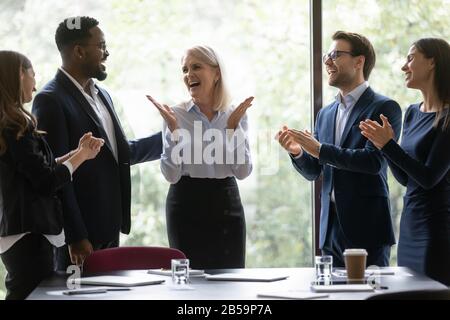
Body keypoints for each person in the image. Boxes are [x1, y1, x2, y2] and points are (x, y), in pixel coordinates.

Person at [31, 16, 162, 270]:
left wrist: (169, 138)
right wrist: (75, 235)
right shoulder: (50, 100)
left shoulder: (103, 94)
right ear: (79, 51)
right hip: (80, 241)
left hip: (109, 229)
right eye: (101, 46)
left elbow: (117, 154)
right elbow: (56, 174)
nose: (107, 53)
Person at [277, 31, 402, 267]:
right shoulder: (325, 114)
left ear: (359, 61)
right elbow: (314, 171)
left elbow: (372, 162)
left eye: (335, 54)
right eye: (327, 55)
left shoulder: (384, 107)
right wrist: (298, 152)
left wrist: (320, 149)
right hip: (329, 230)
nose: (327, 61)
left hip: (367, 229)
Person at [0, 51, 104, 299]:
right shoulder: (15, 126)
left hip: (19, 232)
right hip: (29, 234)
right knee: (28, 294)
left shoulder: (10, 124)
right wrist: (81, 157)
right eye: (32, 73)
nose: (35, 83)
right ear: (19, 75)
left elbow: (35, 169)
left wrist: (75, 153)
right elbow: (46, 182)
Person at [147, 45, 253, 269]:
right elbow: (171, 175)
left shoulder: (235, 114)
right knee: (189, 282)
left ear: (216, 74)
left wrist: (233, 129)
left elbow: (243, 172)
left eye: (196, 67)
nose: (188, 75)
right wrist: (174, 131)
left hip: (226, 202)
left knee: (230, 279)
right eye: (185, 70)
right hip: (185, 203)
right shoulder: (175, 114)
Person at [359, 38, 450, 285]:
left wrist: (388, 145)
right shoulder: (411, 112)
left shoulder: (448, 117)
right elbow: (405, 179)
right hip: (410, 226)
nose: (404, 67)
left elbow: (429, 178)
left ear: (432, 62)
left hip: (437, 231)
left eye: (410, 58)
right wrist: (383, 146)